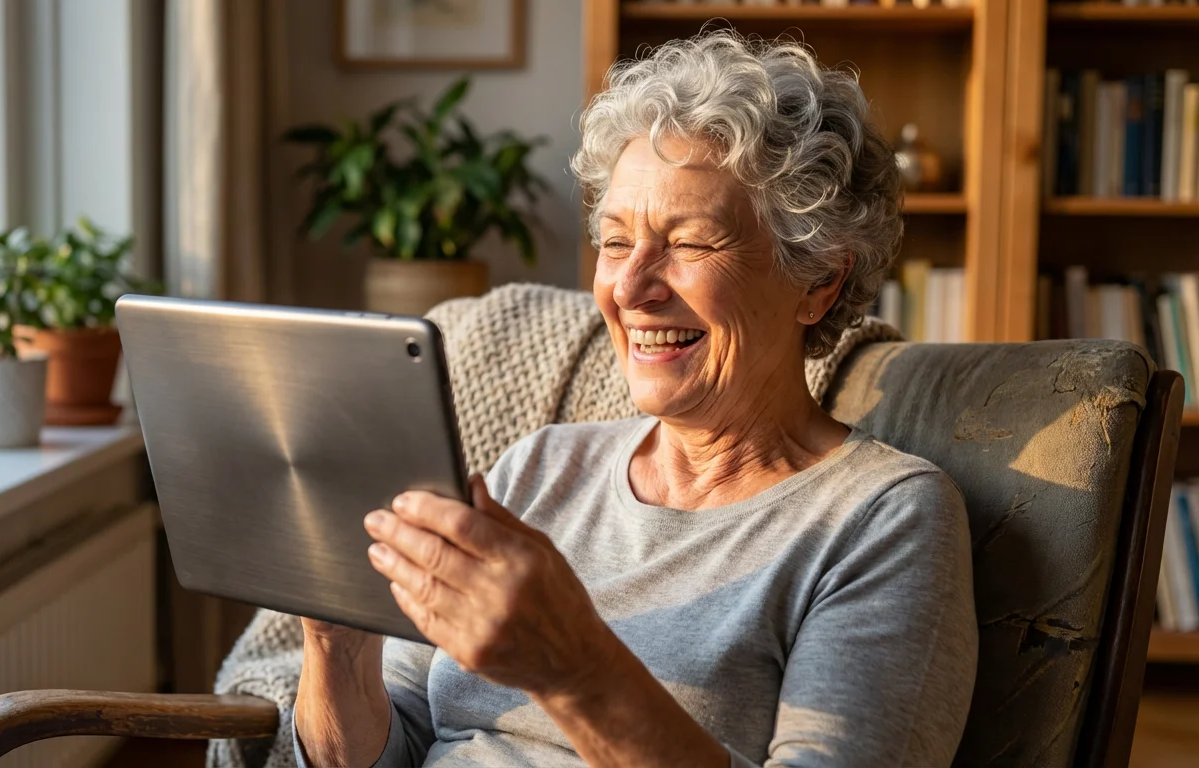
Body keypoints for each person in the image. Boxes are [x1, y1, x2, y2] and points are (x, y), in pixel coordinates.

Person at [293, 32, 977, 768]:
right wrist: (334, 643)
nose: (629, 288)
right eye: (616, 242)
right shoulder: (536, 470)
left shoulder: (881, 518)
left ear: (819, 281)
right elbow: (397, 745)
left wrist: (573, 667)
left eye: (689, 242)